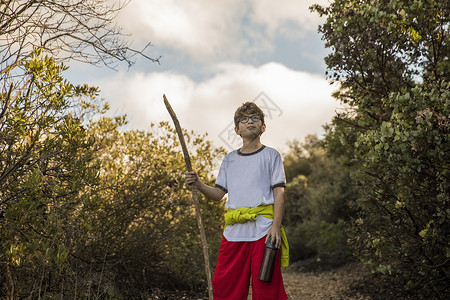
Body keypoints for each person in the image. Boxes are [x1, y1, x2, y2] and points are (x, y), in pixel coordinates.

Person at [185, 102, 289, 300]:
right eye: (244, 119)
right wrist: (198, 184)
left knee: (266, 287)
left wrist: (276, 226)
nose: (250, 121)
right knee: (224, 285)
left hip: (264, 231)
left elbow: (279, 193)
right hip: (234, 232)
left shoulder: (271, 155)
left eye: (255, 118)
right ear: (236, 129)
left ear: (263, 127)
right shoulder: (229, 159)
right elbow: (218, 194)